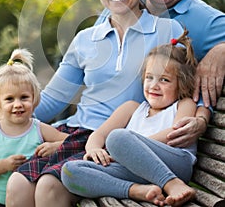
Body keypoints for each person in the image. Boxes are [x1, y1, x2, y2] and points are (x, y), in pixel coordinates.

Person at [3, 0, 185, 207]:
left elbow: (185, 88)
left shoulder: (167, 30)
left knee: (48, 186)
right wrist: (1, 122)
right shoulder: (85, 39)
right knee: (17, 183)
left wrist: (199, 118)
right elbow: (53, 99)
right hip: (74, 133)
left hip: (123, 141)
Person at [96, 0, 225, 147]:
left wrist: (222, 49)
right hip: (99, 129)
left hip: (146, 141)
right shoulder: (121, 5)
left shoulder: (208, 22)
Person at [61, 29, 198, 206]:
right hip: (138, 171)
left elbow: (174, 134)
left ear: (182, 84)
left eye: (164, 80)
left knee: (118, 137)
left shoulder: (184, 104)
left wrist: (130, 150)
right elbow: (99, 135)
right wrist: (94, 148)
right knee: (71, 171)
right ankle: (137, 191)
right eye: (149, 78)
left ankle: (173, 184)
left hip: (175, 164)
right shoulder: (132, 108)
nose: (154, 86)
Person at [0, 49, 68, 207]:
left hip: (25, 199)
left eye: (24, 97)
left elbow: (70, 142)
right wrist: (4, 165)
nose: (18, 104)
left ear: (34, 98)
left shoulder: (39, 129)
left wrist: (54, 146)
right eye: (9, 99)